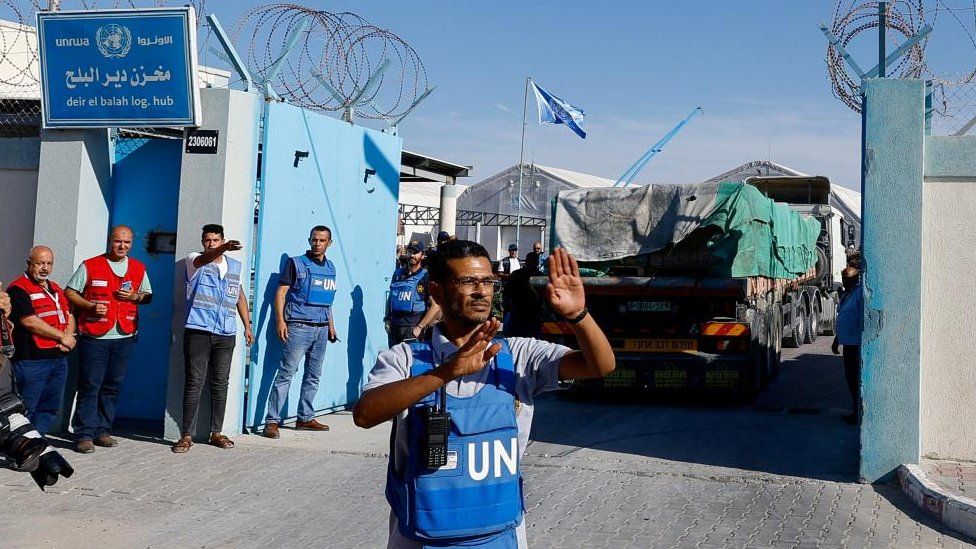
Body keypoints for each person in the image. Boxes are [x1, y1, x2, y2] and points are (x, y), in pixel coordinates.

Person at [353, 240, 615, 548]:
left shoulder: (518, 355)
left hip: (500, 537)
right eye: (467, 281)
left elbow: (600, 365)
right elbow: (365, 414)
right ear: (437, 291)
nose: (481, 291)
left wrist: (578, 315)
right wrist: (447, 371)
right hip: (420, 539)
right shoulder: (405, 358)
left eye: (487, 281)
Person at [65, 225, 152, 454]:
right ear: (110, 241)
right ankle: (83, 434)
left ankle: (102, 430)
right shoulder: (90, 265)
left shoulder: (137, 267)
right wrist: (90, 305)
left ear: (131, 244)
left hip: (124, 335)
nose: (122, 246)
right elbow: (70, 292)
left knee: (112, 386)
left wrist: (135, 296)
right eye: (117, 241)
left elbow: (147, 295)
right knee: (89, 385)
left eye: (126, 242)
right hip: (94, 336)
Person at [172, 225, 254, 454]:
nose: (211, 244)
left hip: (225, 333)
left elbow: (239, 296)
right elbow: (203, 260)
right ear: (202, 241)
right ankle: (186, 434)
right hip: (198, 330)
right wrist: (224, 249)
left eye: (216, 240)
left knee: (220, 383)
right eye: (208, 240)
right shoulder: (195, 260)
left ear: (222, 239)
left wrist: (247, 326)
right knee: (194, 382)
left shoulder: (234, 266)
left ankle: (216, 432)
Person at [263, 225, 338, 438]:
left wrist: (331, 325)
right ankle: (272, 421)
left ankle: (304, 417)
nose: (317, 243)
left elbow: (327, 299)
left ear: (329, 243)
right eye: (314, 239)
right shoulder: (295, 263)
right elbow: (281, 293)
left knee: (313, 375)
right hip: (298, 326)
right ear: (309, 240)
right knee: (286, 373)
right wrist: (280, 320)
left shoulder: (331, 267)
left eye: (322, 240)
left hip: (322, 329)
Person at [6, 246, 76, 436]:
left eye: (49, 264)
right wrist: (62, 336)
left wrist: (69, 337)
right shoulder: (18, 289)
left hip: (58, 358)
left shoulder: (56, 289)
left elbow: (68, 315)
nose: (45, 268)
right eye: (40, 263)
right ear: (29, 264)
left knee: (50, 407)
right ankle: (21, 449)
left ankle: (39, 444)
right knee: (26, 409)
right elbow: (30, 322)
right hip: (31, 360)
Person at [386, 240, 441, 348]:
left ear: (422, 255)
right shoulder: (398, 273)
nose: (412, 255)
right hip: (394, 328)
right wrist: (387, 318)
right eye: (410, 251)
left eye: (416, 252)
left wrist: (419, 327)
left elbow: (436, 305)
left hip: (412, 329)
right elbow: (390, 298)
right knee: (393, 363)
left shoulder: (425, 276)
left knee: (413, 363)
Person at [832, 266, 863, 425]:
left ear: (856, 279)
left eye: (848, 279)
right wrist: (837, 338)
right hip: (847, 341)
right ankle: (854, 409)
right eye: (844, 279)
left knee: (855, 378)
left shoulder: (859, 294)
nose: (845, 282)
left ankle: (857, 411)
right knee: (849, 378)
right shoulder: (846, 294)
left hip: (856, 343)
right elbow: (843, 315)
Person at [503, 251, 544, 338]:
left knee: (516, 339)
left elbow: (507, 292)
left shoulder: (516, 274)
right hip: (528, 311)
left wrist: (507, 306)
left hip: (521, 311)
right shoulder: (540, 276)